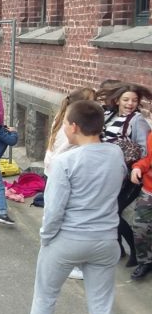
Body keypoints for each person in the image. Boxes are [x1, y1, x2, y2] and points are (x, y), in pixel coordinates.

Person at [5, 100, 125, 314]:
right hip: (106, 239)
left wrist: (46, 238)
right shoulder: (115, 154)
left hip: (69, 238)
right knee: (101, 306)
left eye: (65, 125)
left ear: (74, 126)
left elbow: (54, 209)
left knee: (45, 297)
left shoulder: (66, 161)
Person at [41, 87, 97, 280]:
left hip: (54, 169)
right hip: (62, 172)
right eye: (92, 101)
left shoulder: (62, 115)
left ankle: (61, 257)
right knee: (63, 217)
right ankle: (65, 262)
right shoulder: (74, 125)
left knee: (57, 213)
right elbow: (71, 148)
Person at [98, 82, 152, 267]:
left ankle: (135, 251)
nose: (130, 104)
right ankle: (119, 248)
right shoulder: (108, 115)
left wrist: (133, 165)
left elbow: (145, 152)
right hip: (108, 173)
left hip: (129, 177)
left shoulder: (138, 121)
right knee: (109, 211)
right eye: (126, 99)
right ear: (117, 100)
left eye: (134, 100)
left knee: (112, 212)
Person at [130, 132, 152, 280]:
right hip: (149, 191)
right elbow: (149, 159)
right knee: (140, 227)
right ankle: (146, 262)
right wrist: (138, 167)